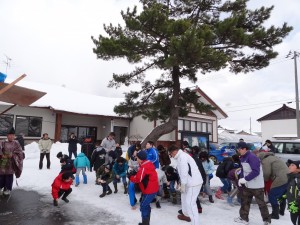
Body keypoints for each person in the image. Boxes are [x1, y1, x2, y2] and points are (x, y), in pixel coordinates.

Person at [234, 141, 271, 225]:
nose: (238, 151)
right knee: (245, 201)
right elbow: (244, 169)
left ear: (244, 149)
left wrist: (245, 179)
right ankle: (244, 218)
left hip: (257, 185)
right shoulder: (242, 157)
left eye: (239, 149)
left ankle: (266, 220)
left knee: (261, 203)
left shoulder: (252, 157)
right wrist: (241, 179)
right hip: (248, 184)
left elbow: (256, 172)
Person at [168, 145, 203, 225]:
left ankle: (195, 223)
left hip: (194, 183)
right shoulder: (180, 156)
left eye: (171, 154)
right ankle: (186, 215)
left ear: (174, 151)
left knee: (190, 203)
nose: (171, 156)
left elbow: (184, 171)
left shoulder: (182, 157)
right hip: (188, 182)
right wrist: (181, 183)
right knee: (183, 197)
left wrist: (183, 184)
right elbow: (181, 172)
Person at [129, 150, 159, 225]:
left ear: (140, 158)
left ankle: (145, 223)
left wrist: (130, 177)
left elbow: (138, 179)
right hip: (150, 188)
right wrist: (135, 173)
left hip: (149, 190)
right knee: (146, 205)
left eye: (137, 157)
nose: (136, 158)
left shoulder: (144, 167)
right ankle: (146, 222)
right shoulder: (147, 163)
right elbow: (143, 175)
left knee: (143, 205)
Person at [258, 151, 289, 219]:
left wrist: (265, 180)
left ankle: (275, 214)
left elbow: (266, 173)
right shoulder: (275, 157)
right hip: (288, 177)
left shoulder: (265, 160)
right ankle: (281, 211)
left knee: (272, 194)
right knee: (282, 194)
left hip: (280, 178)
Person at [0, 127, 24, 196]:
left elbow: (20, 153)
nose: (11, 136)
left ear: (14, 136)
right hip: (3, 162)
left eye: (12, 135)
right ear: (7, 136)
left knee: (9, 176)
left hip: (11, 163)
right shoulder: (2, 142)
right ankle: (1, 187)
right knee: (1, 176)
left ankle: (7, 188)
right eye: (9, 135)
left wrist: (13, 155)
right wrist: (2, 155)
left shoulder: (16, 143)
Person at [286, 160, 300, 225]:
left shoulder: (298, 179)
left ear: (298, 168)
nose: (289, 166)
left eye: (292, 165)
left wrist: (296, 203)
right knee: (294, 221)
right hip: (293, 206)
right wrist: (285, 195)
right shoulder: (292, 177)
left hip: (297, 205)